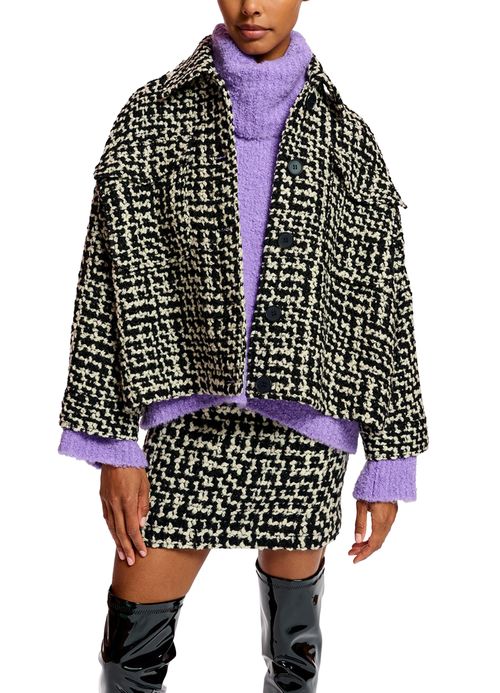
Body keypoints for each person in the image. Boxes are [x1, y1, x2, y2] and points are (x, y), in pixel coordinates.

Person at [57, 1, 429, 691]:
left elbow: (385, 304)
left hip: (305, 430)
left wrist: (390, 459)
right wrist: (112, 442)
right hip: (183, 421)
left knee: (294, 664)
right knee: (126, 664)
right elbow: (106, 281)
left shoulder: (348, 138)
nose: (251, 5)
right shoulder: (153, 116)